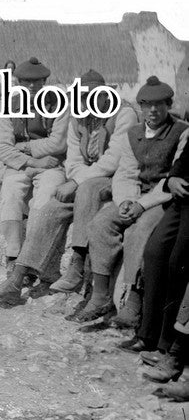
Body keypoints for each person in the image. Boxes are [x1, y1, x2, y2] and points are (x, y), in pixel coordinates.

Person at [0, 70, 137, 306]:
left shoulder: (124, 114)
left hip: (116, 180)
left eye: (94, 95)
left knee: (86, 191)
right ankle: (17, 279)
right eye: (83, 96)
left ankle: (77, 266)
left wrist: (77, 181)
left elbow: (113, 160)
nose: (88, 101)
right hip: (84, 178)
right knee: (49, 210)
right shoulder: (79, 117)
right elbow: (74, 158)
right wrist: (76, 177)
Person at [70, 76, 189, 324]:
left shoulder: (181, 132)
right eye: (147, 105)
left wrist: (142, 205)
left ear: (168, 105)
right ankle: (100, 295)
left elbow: (174, 176)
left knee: (140, 229)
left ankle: (134, 302)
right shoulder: (133, 133)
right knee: (101, 223)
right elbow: (126, 172)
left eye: (159, 105)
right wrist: (125, 200)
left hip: (162, 199)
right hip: (135, 195)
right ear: (141, 107)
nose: (153, 111)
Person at [0, 57, 68, 273]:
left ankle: (31, 259)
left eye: (37, 82)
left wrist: (23, 147)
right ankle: (13, 253)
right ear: (18, 83)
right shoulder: (3, 105)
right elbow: (2, 147)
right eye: (26, 82)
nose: (32, 87)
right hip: (22, 164)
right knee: (10, 195)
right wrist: (31, 158)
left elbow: (58, 143)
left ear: (45, 82)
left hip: (51, 164)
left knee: (43, 199)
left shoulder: (58, 103)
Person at [131, 97, 189, 378]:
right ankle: (148, 335)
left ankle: (170, 349)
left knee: (179, 260)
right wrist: (174, 178)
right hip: (181, 197)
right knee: (155, 252)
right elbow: (185, 158)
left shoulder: (179, 127)